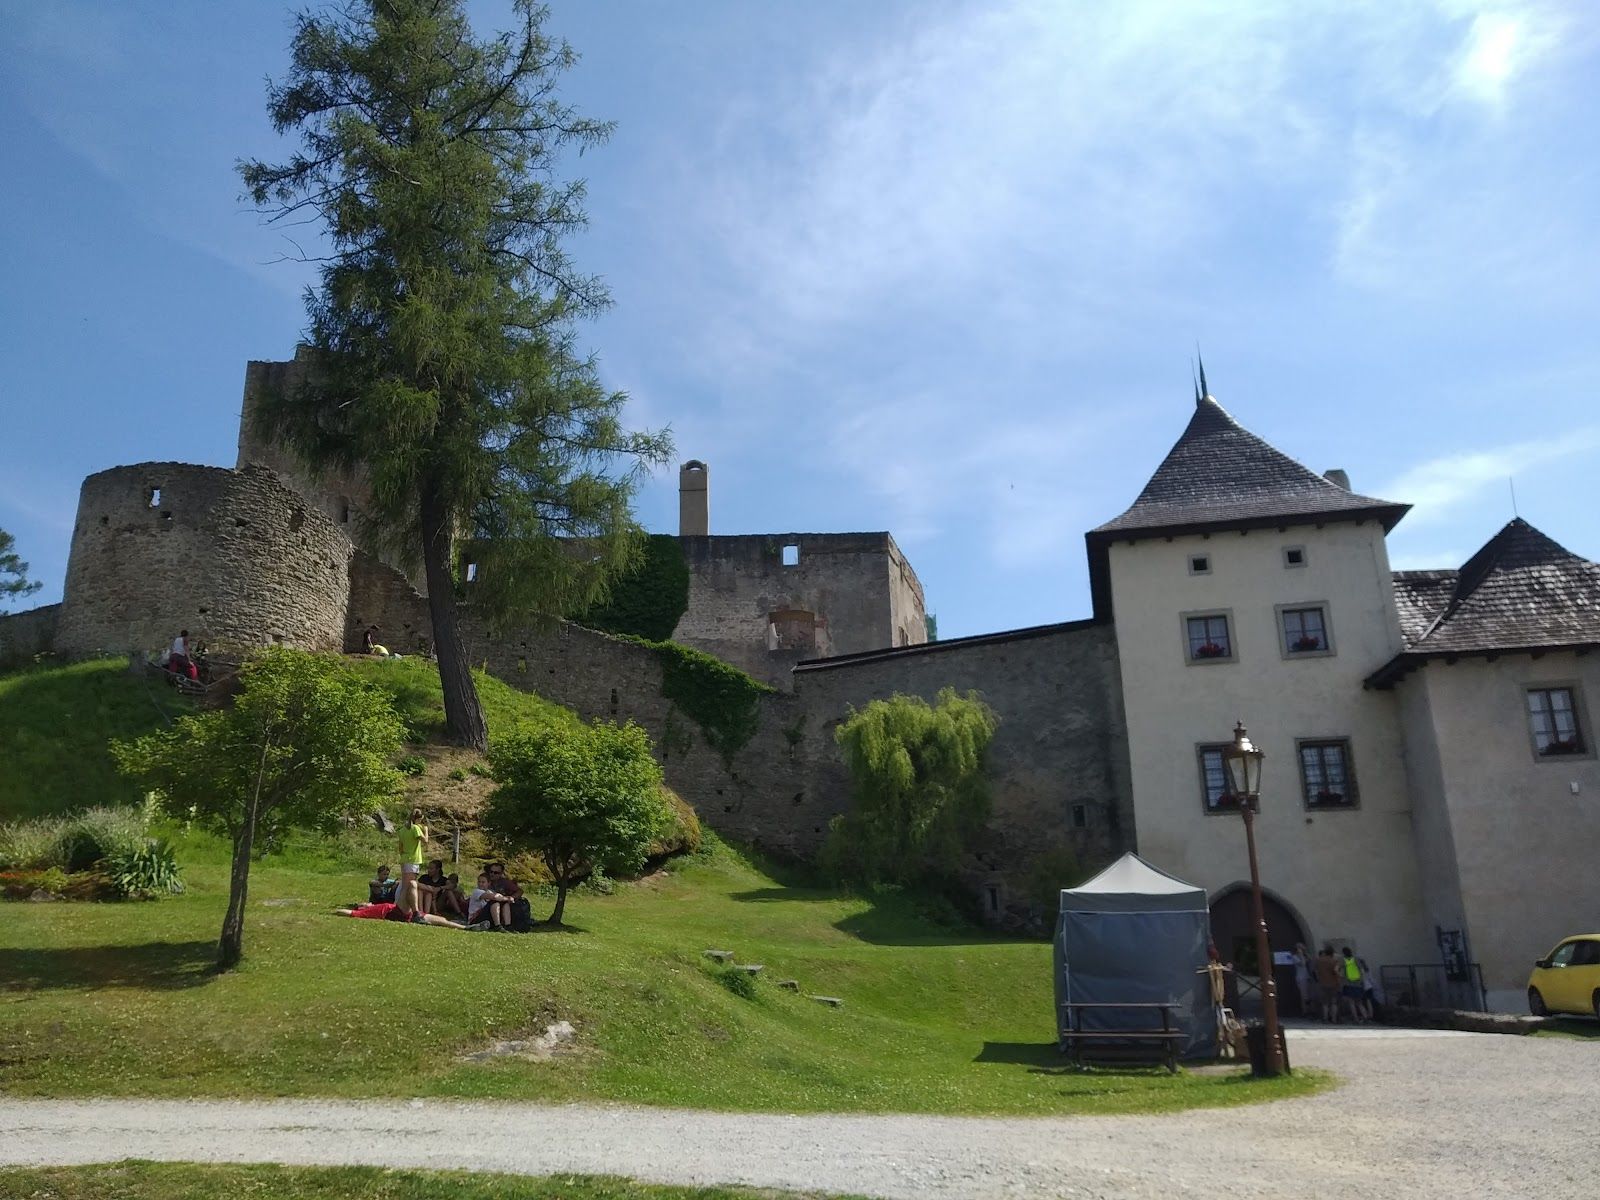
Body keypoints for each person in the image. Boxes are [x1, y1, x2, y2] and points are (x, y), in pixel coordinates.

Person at [396, 809, 428, 914]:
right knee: (408, 886)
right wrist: (426, 830)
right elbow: (425, 840)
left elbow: (400, 848)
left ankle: (403, 907)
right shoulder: (415, 828)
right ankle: (400, 908)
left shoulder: (402, 830)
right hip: (413, 859)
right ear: (417, 819)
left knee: (404, 885)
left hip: (405, 858)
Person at [335, 901, 462, 927]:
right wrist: (335, 912)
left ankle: (466, 927)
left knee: (442, 920)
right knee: (410, 885)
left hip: (408, 913)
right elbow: (350, 913)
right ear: (362, 907)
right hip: (398, 912)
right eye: (365, 903)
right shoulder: (367, 911)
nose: (369, 902)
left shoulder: (374, 906)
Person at [1339, 947, 1368, 1024]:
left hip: (1348, 984)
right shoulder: (1356, 959)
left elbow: (1338, 971)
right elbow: (1362, 970)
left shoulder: (1343, 960)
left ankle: (1356, 1019)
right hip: (1358, 983)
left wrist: (1342, 978)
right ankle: (1365, 1017)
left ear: (1343, 953)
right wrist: (1362, 980)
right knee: (1359, 1003)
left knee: (1351, 1003)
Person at [1313, 945, 1342, 1022]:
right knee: (1334, 1002)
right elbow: (1336, 971)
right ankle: (1334, 1019)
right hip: (1334, 983)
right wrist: (1340, 977)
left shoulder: (1319, 961)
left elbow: (1315, 971)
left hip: (1322, 983)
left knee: (1325, 1003)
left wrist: (1319, 979)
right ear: (1332, 953)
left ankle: (1325, 1018)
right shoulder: (1334, 961)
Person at [1292, 942, 1315, 1018]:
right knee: (1304, 995)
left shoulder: (1305, 956)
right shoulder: (1295, 957)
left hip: (1307, 976)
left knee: (1309, 994)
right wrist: (1301, 955)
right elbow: (1303, 963)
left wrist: (1305, 954)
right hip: (1301, 977)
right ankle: (1305, 1011)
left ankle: (1311, 1010)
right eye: (1301, 948)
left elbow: (1310, 960)